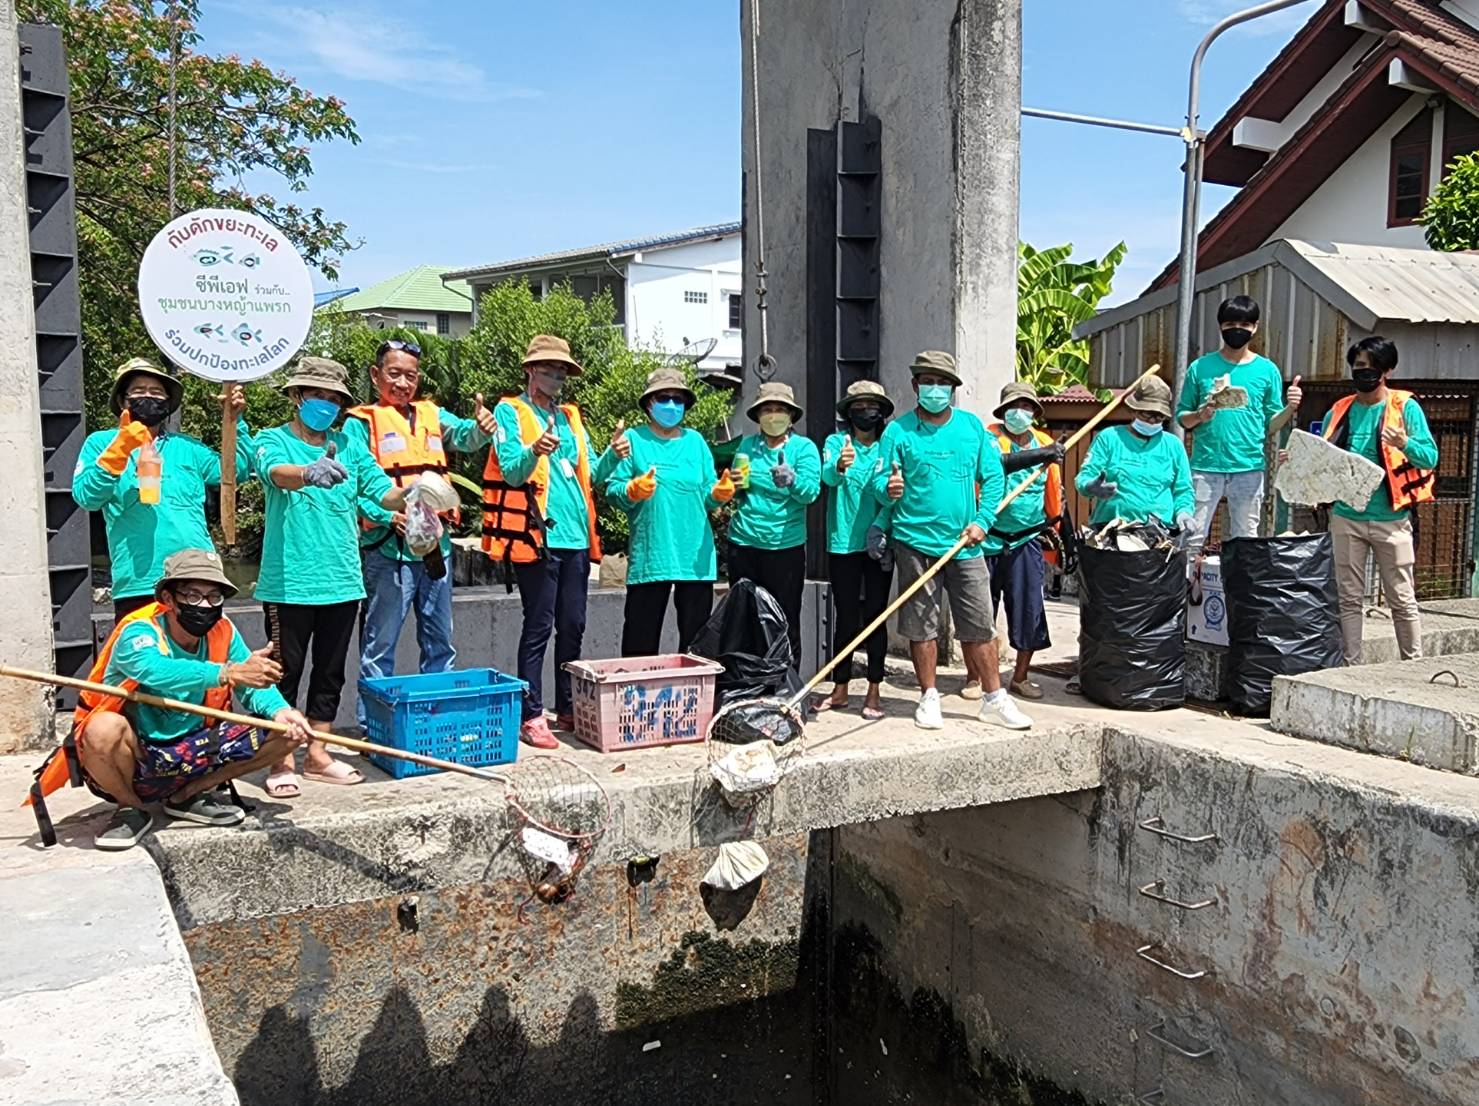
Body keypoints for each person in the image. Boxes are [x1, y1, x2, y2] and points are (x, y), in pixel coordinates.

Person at [26, 549, 314, 851]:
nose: (205, 605)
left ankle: (189, 795)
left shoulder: (223, 630)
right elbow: (154, 669)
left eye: (214, 597)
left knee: (287, 731)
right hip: (139, 753)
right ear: (167, 598)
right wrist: (227, 673)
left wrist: (281, 710)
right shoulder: (138, 631)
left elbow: (252, 685)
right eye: (192, 595)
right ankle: (130, 808)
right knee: (101, 728)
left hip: (197, 747)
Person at [254, 357, 408, 796]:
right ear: (297, 396)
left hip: (342, 579)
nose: (324, 404)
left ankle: (318, 753)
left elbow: (381, 491)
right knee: (284, 670)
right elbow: (273, 473)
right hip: (289, 583)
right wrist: (306, 473)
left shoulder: (351, 446)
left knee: (330, 671)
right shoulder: (273, 439)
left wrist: (414, 491)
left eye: (333, 398)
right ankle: (279, 756)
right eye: (316, 395)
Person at [872, 350, 1032, 732]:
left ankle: (995, 698)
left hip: (966, 544)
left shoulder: (971, 429)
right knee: (920, 626)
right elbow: (879, 483)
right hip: (913, 541)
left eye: (943, 383)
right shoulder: (897, 432)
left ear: (953, 389)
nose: (935, 389)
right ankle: (928, 696)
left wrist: (983, 521)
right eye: (928, 382)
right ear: (915, 386)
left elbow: (994, 479)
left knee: (979, 624)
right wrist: (889, 488)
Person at [345, 338, 495, 724]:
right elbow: (351, 486)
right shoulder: (360, 423)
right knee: (380, 645)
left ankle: (436, 718)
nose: (402, 383)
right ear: (376, 375)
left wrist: (483, 426)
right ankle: (372, 725)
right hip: (387, 548)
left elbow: (465, 436)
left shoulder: (431, 413)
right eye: (393, 374)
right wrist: (383, 513)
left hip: (436, 547)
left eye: (410, 376)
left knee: (440, 639)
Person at [482, 335, 615, 749]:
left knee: (573, 625)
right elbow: (511, 470)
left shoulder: (571, 416)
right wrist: (535, 450)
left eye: (561, 371)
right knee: (538, 624)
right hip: (537, 535)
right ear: (530, 370)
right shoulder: (511, 411)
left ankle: (567, 705)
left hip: (575, 535)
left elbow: (592, 472)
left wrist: (616, 452)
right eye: (548, 369)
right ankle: (531, 712)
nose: (556, 376)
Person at [73, 357, 252, 619]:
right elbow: (86, 497)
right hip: (139, 582)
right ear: (123, 401)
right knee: (143, 658)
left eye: (156, 392)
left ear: (167, 403)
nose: (148, 396)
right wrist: (119, 449)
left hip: (198, 577)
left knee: (205, 658)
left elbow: (235, 472)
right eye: (139, 391)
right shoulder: (101, 443)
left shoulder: (189, 447)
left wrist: (235, 420)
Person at [1321, 336, 1438, 664]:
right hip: (1346, 516)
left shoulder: (1404, 407)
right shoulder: (1341, 409)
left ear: (1387, 370)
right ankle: (1351, 666)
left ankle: (1413, 665)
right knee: (1349, 597)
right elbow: (1321, 457)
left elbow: (1430, 457)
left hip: (1391, 518)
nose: (1365, 373)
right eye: (1359, 366)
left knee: (1401, 598)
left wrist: (1405, 443)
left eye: (1372, 367)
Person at [606, 367, 734, 656]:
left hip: (695, 559)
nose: (672, 406)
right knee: (640, 641)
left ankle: (694, 699)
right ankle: (637, 698)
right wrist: (631, 490)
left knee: (697, 644)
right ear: (649, 403)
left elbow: (707, 492)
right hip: (652, 557)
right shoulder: (634, 439)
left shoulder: (696, 442)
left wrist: (718, 493)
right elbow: (613, 490)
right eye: (664, 398)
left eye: (679, 400)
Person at [1175, 295, 1301, 559]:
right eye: (1231, 323)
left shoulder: (1267, 370)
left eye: (1245, 324)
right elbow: (1182, 418)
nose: (1238, 329)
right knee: (1191, 537)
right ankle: (1184, 595)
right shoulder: (1200, 367)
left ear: (1255, 327)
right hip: (1205, 467)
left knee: (1246, 539)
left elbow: (1271, 425)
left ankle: (1239, 596)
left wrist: (1290, 408)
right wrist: (1200, 415)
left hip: (1249, 468)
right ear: (1220, 326)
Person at [726, 381, 822, 668]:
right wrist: (733, 485)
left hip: (785, 547)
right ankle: (746, 682)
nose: (773, 415)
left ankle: (785, 684)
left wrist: (792, 481)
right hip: (743, 543)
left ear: (791, 415)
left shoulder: (804, 449)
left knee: (784, 617)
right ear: (758, 416)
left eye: (780, 409)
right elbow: (739, 492)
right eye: (767, 409)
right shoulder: (747, 446)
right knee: (744, 616)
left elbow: (811, 492)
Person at [817, 380, 895, 720]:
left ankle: (875, 689)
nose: (865, 412)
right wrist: (839, 466)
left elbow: (893, 491)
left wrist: (882, 527)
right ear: (849, 413)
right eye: (858, 407)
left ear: (880, 413)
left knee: (875, 616)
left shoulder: (888, 446)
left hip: (878, 543)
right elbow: (827, 480)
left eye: (871, 407)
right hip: (843, 543)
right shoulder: (836, 442)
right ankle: (840, 687)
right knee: (845, 616)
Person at [983, 382, 1066, 702]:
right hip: (988, 537)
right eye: (1015, 406)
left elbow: (1053, 494)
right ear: (1004, 412)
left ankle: (1020, 676)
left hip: (1026, 538)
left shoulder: (1045, 442)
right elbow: (996, 465)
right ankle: (976, 677)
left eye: (1028, 406)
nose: (1021, 412)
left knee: (1029, 611)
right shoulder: (990, 439)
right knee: (980, 613)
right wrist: (1042, 455)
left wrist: (1055, 526)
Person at [1077, 374, 1195, 534]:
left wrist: (1184, 512)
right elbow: (1085, 476)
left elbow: (1183, 489)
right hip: (1111, 531)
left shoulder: (1173, 445)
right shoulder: (1109, 438)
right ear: (1134, 410)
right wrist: (1090, 487)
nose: (1153, 420)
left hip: (1159, 534)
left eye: (1159, 416)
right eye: (1147, 414)